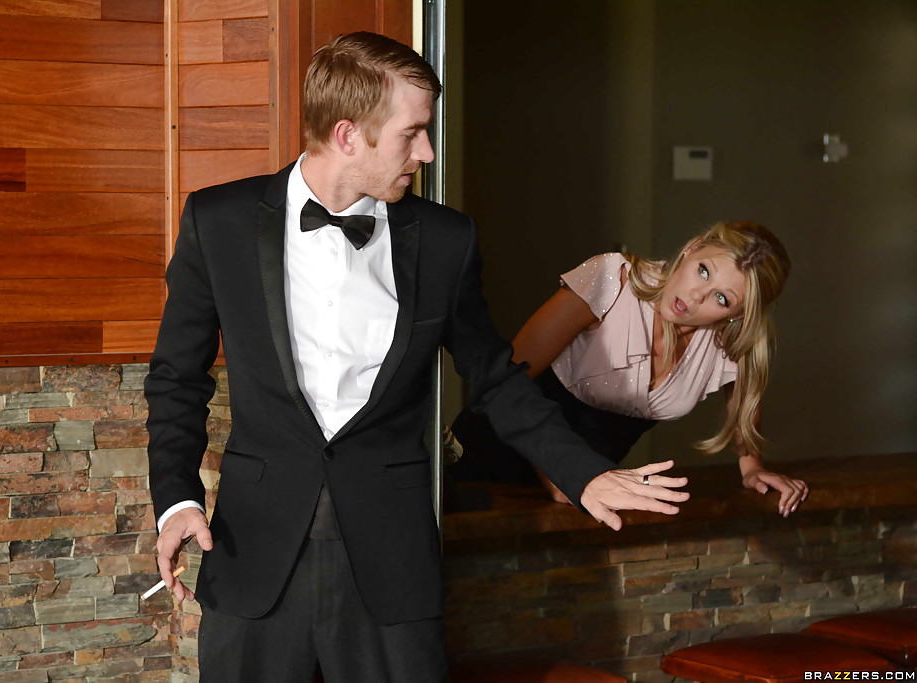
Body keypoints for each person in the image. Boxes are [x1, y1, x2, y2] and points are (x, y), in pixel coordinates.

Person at [145, 31, 689, 683]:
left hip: (392, 567)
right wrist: (176, 499)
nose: (427, 152)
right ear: (347, 135)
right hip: (253, 555)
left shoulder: (446, 240)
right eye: (412, 134)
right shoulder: (218, 221)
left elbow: (498, 379)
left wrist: (584, 473)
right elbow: (177, 380)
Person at [451, 221, 809, 518]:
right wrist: (565, 475)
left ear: (738, 315)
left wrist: (752, 468)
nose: (696, 297)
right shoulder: (611, 278)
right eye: (703, 271)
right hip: (490, 455)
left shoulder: (727, 342)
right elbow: (502, 380)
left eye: (722, 298)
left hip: (584, 487)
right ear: (692, 248)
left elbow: (744, 406)